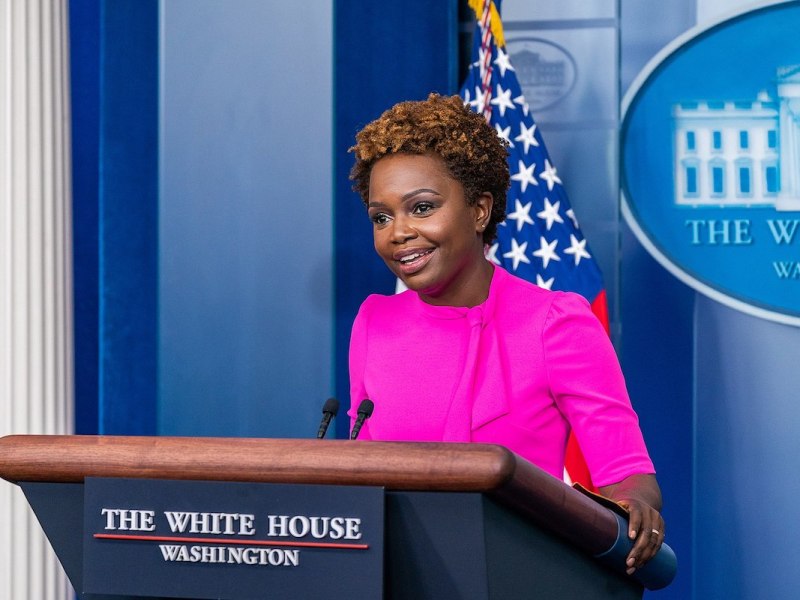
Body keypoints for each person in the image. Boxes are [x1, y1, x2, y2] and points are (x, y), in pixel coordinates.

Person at [347, 93, 664, 575]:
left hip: (513, 572)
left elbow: (627, 475)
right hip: (395, 573)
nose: (398, 233)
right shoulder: (375, 322)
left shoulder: (555, 321)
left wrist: (635, 508)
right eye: (381, 217)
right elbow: (359, 471)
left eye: (422, 207)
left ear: (479, 210)